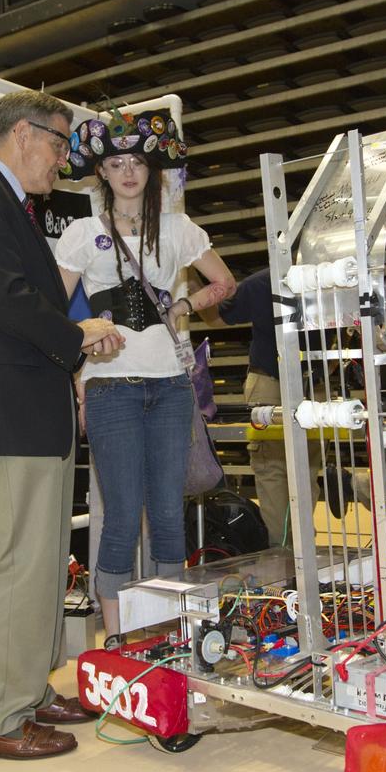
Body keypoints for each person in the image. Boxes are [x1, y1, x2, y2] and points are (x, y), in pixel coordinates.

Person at [0, 89, 123, 762]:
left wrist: (74, 343)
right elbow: (7, 301)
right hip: (8, 409)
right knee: (17, 561)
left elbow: (25, 302)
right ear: (23, 134)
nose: (63, 161)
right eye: (58, 144)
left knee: (44, 560)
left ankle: (27, 687)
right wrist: (76, 335)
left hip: (31, 404)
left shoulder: (7, 204)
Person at [55, 107, 235, 639]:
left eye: (137, 161)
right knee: (120, 514)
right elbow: (50, 308)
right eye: (117, 163)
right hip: (110, 388)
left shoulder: (179, 229)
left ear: (152, 170)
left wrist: (184, 304)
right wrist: (84, 327)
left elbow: (224, 283)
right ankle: (114, 638)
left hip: (172, 387)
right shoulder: (83, 234)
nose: (128, 171)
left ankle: (168, 632)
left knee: (167, 512)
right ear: (102, 173)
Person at [218, 267, 322, 544]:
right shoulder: (262, 283)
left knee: (305, 471)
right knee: (273, 470)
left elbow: (221, 314)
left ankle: (298, 547)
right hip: (271, 380)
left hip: (309, 381)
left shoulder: (325, 278)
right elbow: (222, 314)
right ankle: (285, 550)